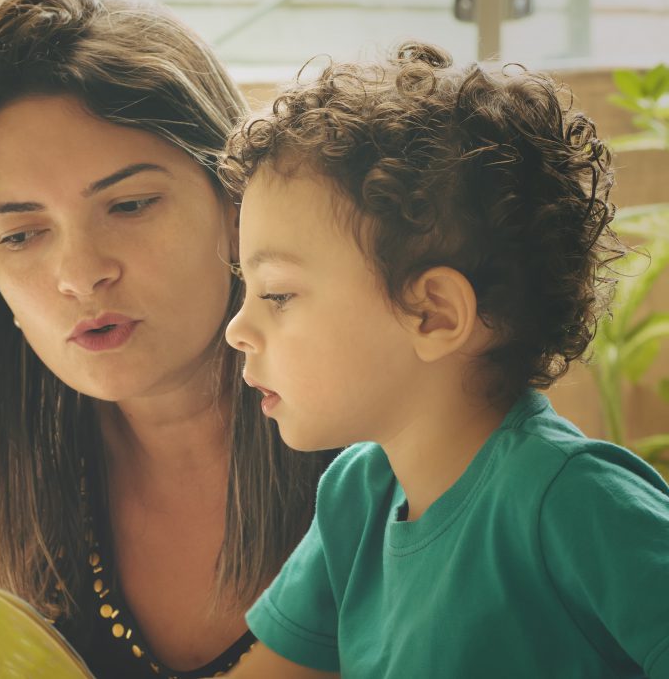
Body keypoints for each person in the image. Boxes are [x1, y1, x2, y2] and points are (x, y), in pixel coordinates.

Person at [219, 42, 669, 678]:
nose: (239, 328)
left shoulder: (573, 500)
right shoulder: (357, 495)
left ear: (433, 314)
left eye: (278, 295)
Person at [0, 0, 333, 677]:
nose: (81, 275)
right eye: (21, 235)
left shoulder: (384, 460)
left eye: (130, 205)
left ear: (236, 209)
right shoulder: (22, 518)